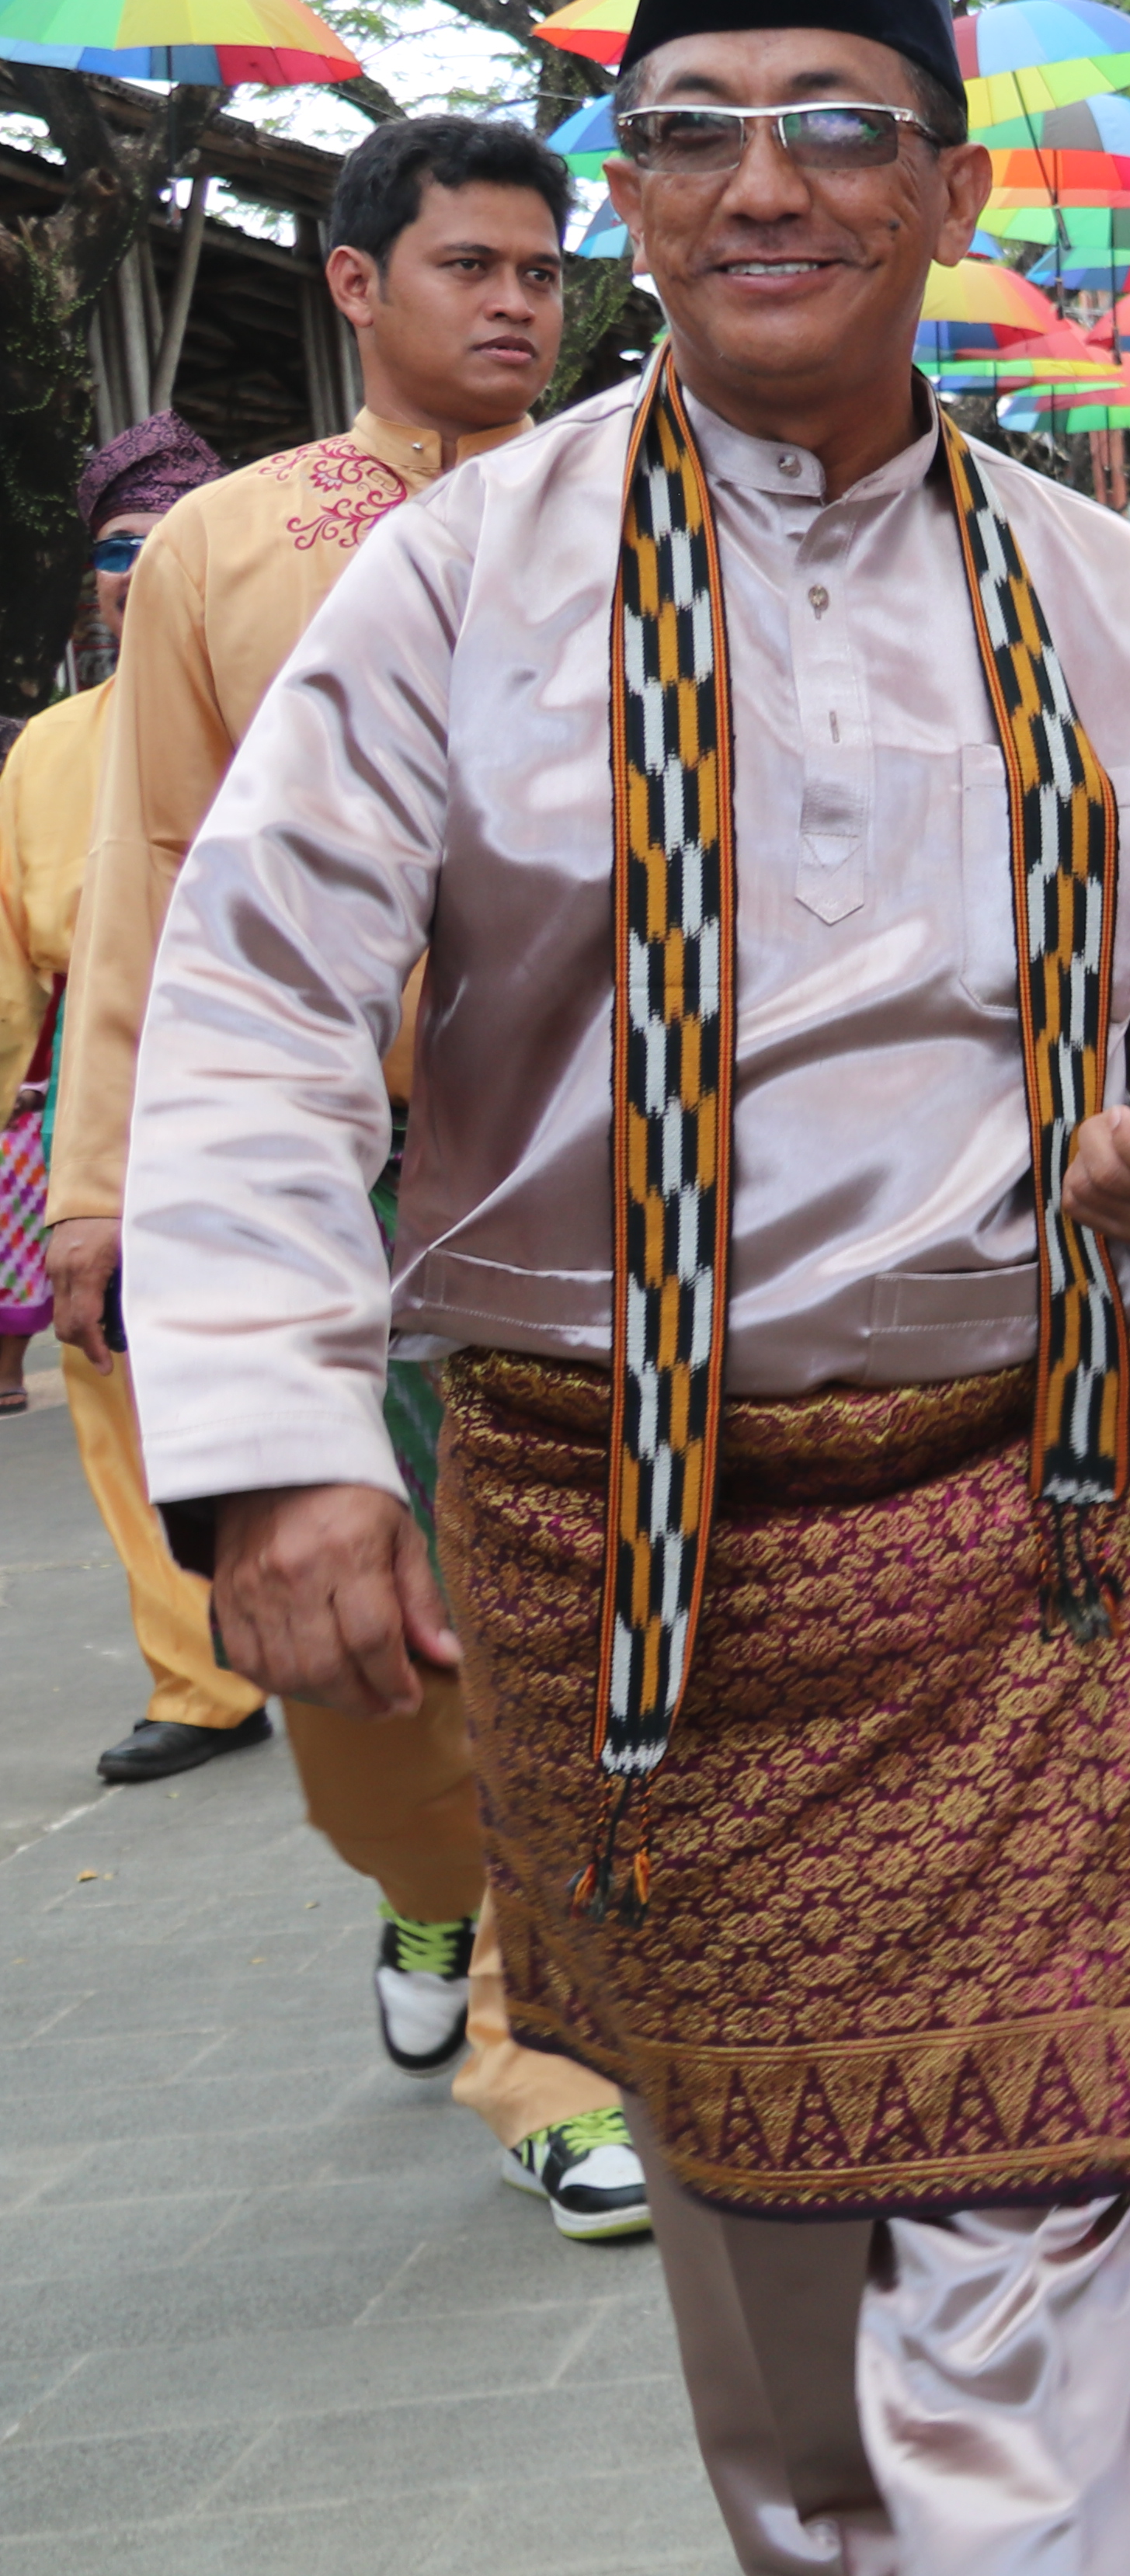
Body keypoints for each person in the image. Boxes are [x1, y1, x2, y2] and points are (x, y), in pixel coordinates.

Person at [123, 0, 1130, 2557]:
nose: (761, 184)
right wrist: (282, 1441)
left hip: (1038, 1545)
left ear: (951, 194)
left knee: (1018, 2342)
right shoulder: (451, 587)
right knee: (790, 2393)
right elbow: (256, 1005)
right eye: (691, 135)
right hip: (626, 1562)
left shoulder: (1111, 598)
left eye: (831, 130)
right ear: (634, 199)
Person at [57, 115, 659, 2237]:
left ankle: (546, 2036)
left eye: (540, 268)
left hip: (593, 1161)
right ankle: (432, 1900)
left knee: (566, 1608)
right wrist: (106, 1180)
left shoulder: (637, 509)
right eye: (469, 264)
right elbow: (155, 872)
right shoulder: (233, 551)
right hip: (339, 1166)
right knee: (369, 1660)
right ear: (352, 285)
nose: (515, 302)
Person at [23, 422, 265, 1775]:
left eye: (175, 542)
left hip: (282, 1092)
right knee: (111, 1385)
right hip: (109, 1109)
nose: (146, 570)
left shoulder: (300, 708)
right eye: (123, 551)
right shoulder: (45, 754)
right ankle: (198, 1681)